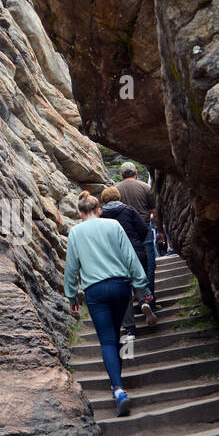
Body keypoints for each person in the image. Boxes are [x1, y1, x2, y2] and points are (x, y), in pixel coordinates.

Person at [65, 191, 156, 417]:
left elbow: (72, 268)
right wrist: (143, 289)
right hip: (120, 286)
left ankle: (118, 389)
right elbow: (130, 258)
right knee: (116, 336)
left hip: (95, 291)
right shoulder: (114, 226)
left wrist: (71, 296)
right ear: (98, 209)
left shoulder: (75, 233)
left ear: (79, 212)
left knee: (107, 340)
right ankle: (117, 384)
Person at [99, 185, 155, 336]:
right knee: (138, 278)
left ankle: (130, 327)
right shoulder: (129, 210)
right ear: (118, 196)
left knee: (123, 290)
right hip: (136, 249)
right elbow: (143, 229)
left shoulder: (101, 215)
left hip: (114, 255)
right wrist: (137, 242)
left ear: (103, 200)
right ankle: (144, 302)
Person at [116, 162, 158, 302]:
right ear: (136, 173)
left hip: (125, 235)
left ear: (122, 175)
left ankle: (140, 299)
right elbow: (155, 211)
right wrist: (160, 231)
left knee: (131, 267)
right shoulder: (145, 187)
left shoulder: (116, 191)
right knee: (149, 267)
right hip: (145, 231)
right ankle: (150, 301)